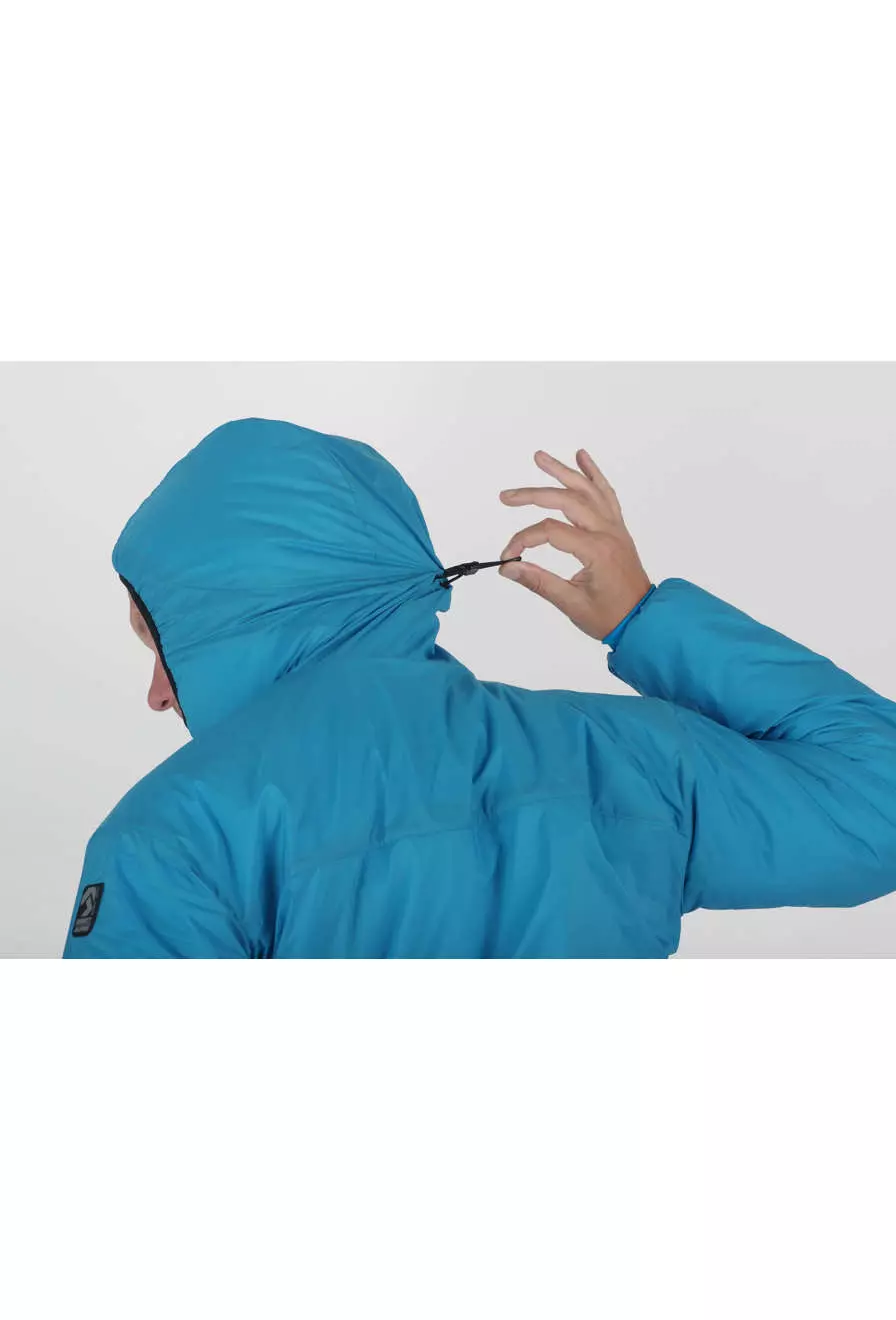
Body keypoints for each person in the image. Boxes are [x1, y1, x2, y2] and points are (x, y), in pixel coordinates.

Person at [63, 417, 896, 958]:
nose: (158, 694)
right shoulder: (625, 763)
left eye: (160, 641)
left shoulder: (171, 836)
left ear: (239, 619)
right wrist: (642, 616)